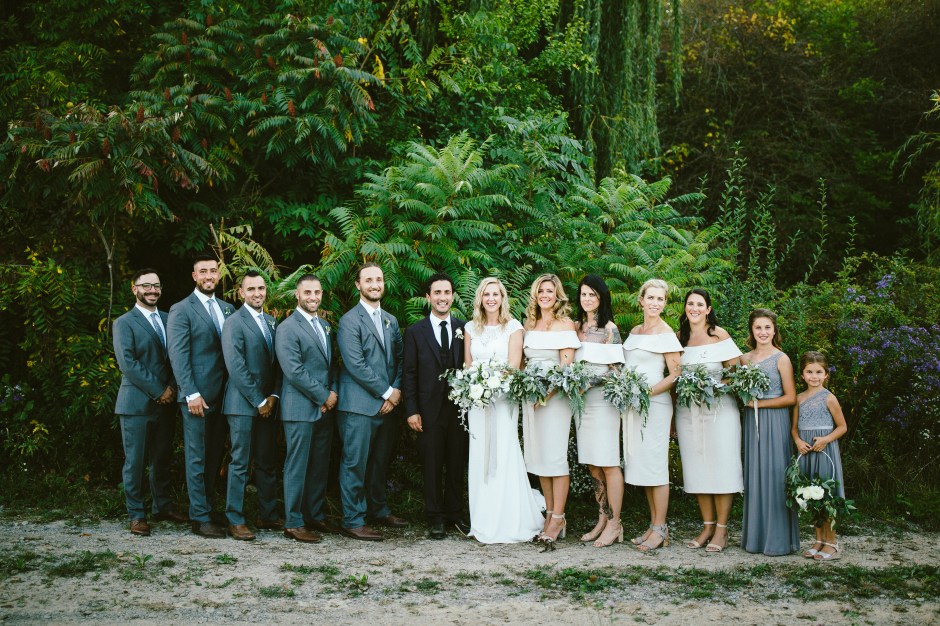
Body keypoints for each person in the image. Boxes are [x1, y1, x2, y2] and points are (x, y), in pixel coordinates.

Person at [464, 277, 544, 543]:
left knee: (504, 452)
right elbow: (467, 365)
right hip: (477, 403)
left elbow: (513, 365)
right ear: (480, 298)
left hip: (504, 401)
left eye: (495, 294)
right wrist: (477, 386)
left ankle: (509, 519)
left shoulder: (513, 327)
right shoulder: (470, 328)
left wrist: (493, 384)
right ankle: (483, 520)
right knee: (479, 455)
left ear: (502, 298)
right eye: (486, 294)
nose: (491, 299)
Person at [112, 269, 186, 536]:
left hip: (167, 402)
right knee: (135, 462)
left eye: (156, 285)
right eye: (146, 286)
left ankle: (162, 507)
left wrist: (172, 388)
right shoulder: (124, 323)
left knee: (162, 458)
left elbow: (178, 356)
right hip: (136, 404)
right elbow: (128, 363)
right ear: (135, 289)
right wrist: (158, 390)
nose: (152, 290)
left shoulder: (169, 319)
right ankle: (136, 514)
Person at [336, 263, 406, 541]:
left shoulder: (390, 320)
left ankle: (378, 509)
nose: (375, 284)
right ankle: (353, 520)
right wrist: (388, 392)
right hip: (358, 406)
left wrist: (396, 391)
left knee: (379, 462)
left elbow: (400, 358)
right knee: (355, 463)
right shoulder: (349, 321)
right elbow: (356, 364)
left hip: (387, 406)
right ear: (358, 285)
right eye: (369, 280)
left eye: (379, 279)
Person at [167, 253, 234, 538]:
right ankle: (199, 517)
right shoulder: (181, 309)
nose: (209, 276)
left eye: (213, 271)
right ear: (194, 276)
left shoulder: (228, 308)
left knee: (214, 455)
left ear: (219, 274)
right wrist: (190, 392)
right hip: (197, 397)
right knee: (196, 456)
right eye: (203, 271)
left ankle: (208, 507)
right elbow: (178, 354)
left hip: (224, 395)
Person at [675, 288, 743, 553]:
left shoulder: (719, 335)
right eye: (690, 303)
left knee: (722, 466)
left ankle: (722, 530)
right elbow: (674, 377)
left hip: (719, 411)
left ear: (708, 309)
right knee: (697, 468)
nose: (694, 308)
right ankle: (707, 526)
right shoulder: (679, 338)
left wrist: (711, 386)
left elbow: (735, 372)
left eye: (699, 304)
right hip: (688, 412)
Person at [403, 272, 469, 540]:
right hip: (427, 410)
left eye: (447, 293)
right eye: (437, 293)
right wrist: (411, 410)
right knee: (431, 464)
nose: (443, 297)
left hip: (459, 409)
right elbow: (409, 373)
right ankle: (435, 517)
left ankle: (455, 513)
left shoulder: (465, 328)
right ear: (428, 297)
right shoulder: (414, 332)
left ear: (453, 296)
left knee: (457, 462)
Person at [275, 274, 339, 544]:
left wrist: (332, 393)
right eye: (308, 293)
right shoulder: (287, 328)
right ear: (297, 295)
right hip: (299, 407)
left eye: (317, 292)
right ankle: (293, 522)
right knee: (297, 465)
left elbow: (330, 365)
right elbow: (294, 370)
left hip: (324, 407)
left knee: (319, 465)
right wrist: (324, 396)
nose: (313, 297)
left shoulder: (324, 325)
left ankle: (314, 514)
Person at [220, 270, 281, 541]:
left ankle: (268, 515)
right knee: (240, 462)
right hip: (242, 403)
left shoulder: (272, 322)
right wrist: (258, 400)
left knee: (267, 461)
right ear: (241, 293)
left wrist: (273, 396)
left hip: (268, 404)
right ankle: (235, 519)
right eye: (252, 289)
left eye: (261, 288)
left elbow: (278, 364)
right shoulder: (234, 322)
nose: (258, 293)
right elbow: (236, 366)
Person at [622, 278, 682, 552]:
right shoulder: (635, 331)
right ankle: (653, 524)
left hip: (654, 406)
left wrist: (646, 393)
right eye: (651, 298)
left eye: (660, 299)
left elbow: (675, 374)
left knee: (656, 466)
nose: (655, 303)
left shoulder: (667, 334)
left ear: (665, 303)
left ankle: (661, 527)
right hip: (632, 406)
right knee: (644, 465)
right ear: (641, 300)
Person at [522, 273, 581, 545]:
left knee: (555, 459)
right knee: (539, 459)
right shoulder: (529, 324)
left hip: (555, 400)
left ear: (557, 295)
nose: (545, 295)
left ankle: (559, 517)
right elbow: (524, 363)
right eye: (541, 290)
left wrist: (544, 395)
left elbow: (566, 369)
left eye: (549, 291)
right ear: (535, 295)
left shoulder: (566, 324)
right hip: (531, 400)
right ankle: (549, 513)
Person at [740, 308, 799, 556]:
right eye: (758, 328)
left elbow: (791, 397)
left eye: (767, 327)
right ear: (752, 331)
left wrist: (758, 404)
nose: (763, 332)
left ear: (774, 330)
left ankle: (778, 540)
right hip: (751, 423)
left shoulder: (781, 359)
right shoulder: (744, 359)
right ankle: (756, 538)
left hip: (775, 421)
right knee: (755, 474)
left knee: (775, 475)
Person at [572, 274, 625, 548]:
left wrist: (588, 383)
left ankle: (616, 524)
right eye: (583, 294)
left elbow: (617, 370)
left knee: (609, 462)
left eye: (592, 294)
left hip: (603, 403)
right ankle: (602, 518)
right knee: (593, 463)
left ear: (601, 297)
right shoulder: (575, 327)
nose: (587, 299)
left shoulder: (609, 329)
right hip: (582, 405)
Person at [792, 351, 848, 561]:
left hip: (824, 451)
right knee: (811, 495)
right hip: (806, 451)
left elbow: (842, 427)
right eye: (809, 372)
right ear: (802, 375)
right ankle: (818, 540)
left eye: (818, 372)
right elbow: (794, 428)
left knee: (827, 496)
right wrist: (798, 441)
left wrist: (826, 439)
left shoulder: (829, 398)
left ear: (826, 375)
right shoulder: (798, 398)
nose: (814, 376)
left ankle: (832, 543)